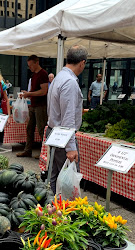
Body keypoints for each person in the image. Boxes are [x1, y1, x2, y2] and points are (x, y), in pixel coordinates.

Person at [47, 45, 88, 194]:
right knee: (67, 180)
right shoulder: (69, 82)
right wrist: (71, 147)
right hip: (63, 135)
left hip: (54, 131)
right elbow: (68, 117)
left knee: (55, 175)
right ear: (82, 63)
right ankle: (65, 211)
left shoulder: (59, 77)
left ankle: (50, 206)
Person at [16, 55, 49, 158]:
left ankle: (45, 153)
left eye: (31, 65)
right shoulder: (33, 75)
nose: (29, 67)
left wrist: (29, 94)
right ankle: (28, 150)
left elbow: (44, 91)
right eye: (28, 65)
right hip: (33, 105)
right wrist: (27, 93)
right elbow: (35, 91)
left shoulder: (43, 74)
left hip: (41, 106)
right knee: (29, 128)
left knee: (41, 129)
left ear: (37, 63)